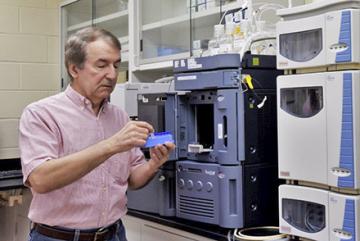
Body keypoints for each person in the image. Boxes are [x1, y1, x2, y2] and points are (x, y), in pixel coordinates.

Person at [19, 27, 175, 241]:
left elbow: (133, 179)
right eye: (102, 65)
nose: (112, 74)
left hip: (113, 235)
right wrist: (111, 145)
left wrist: (153, 165)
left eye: (116, 65)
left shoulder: (120, 117)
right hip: (58, 237)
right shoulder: (41, 113)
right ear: (74, 69)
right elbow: (40, 179)